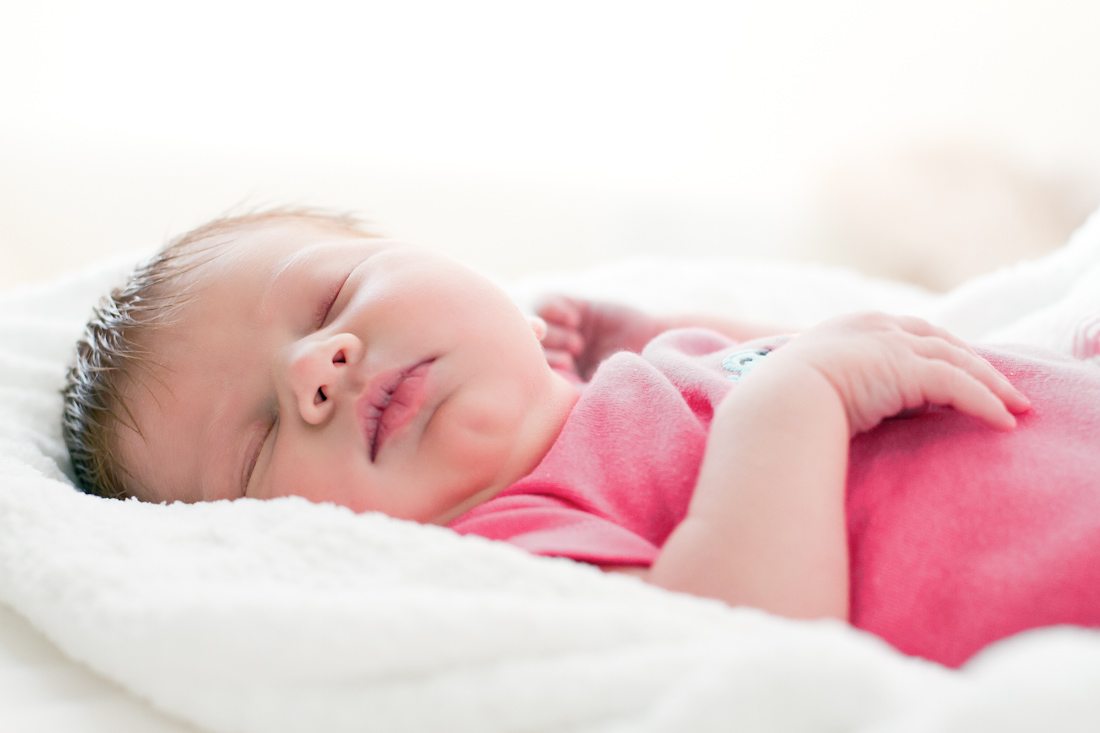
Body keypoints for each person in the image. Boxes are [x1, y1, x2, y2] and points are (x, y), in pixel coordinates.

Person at [63, 209, 1100, 669]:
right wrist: (793, 398)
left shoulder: (630, 385)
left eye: (330, 295)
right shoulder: (512, 539)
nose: (313, 370)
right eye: (255, 441)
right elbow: (741, 635)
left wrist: (645, 339)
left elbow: (814, 353)